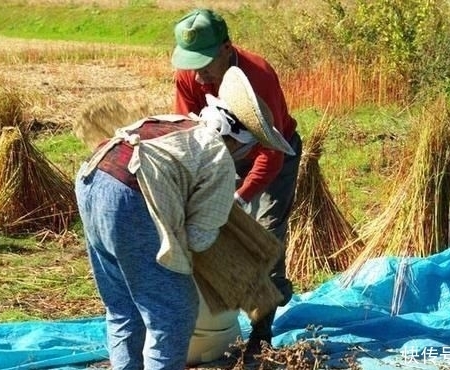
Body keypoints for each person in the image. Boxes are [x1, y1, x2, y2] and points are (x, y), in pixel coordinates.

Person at [74, 67, 292, 370]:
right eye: (251, 145)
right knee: (172, 314)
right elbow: (198, 238)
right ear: (239, 139)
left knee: (124, 307)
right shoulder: (218, 156)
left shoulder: (176, 122)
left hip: (89, 181)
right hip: (129, 198)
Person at [170, 8, 303, 356]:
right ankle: (203, 319)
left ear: (227, 48)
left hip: (272, 155)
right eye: (192, 65)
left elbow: (270, 153)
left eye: (206, 65)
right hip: (222, 150)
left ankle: (262, 333)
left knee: (264, 232)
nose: (199, 79)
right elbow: (189, 134)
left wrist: (241, 196)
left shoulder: (258, 76)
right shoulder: (190, 74)